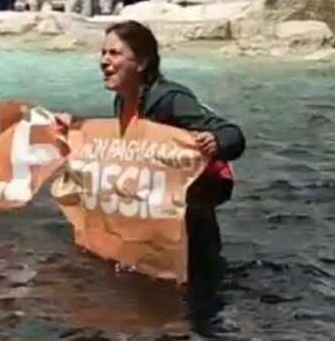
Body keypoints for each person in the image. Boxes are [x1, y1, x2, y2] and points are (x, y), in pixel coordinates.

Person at [99, 20, 245, 321]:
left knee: (200, 307)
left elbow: (233, 134)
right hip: (158, 219)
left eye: (114, 53)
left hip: (192, 219)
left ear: (141, 61)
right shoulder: (122, 102)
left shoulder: (170, 99)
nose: (104, 61)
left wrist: (216, 140)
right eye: (103, 53)